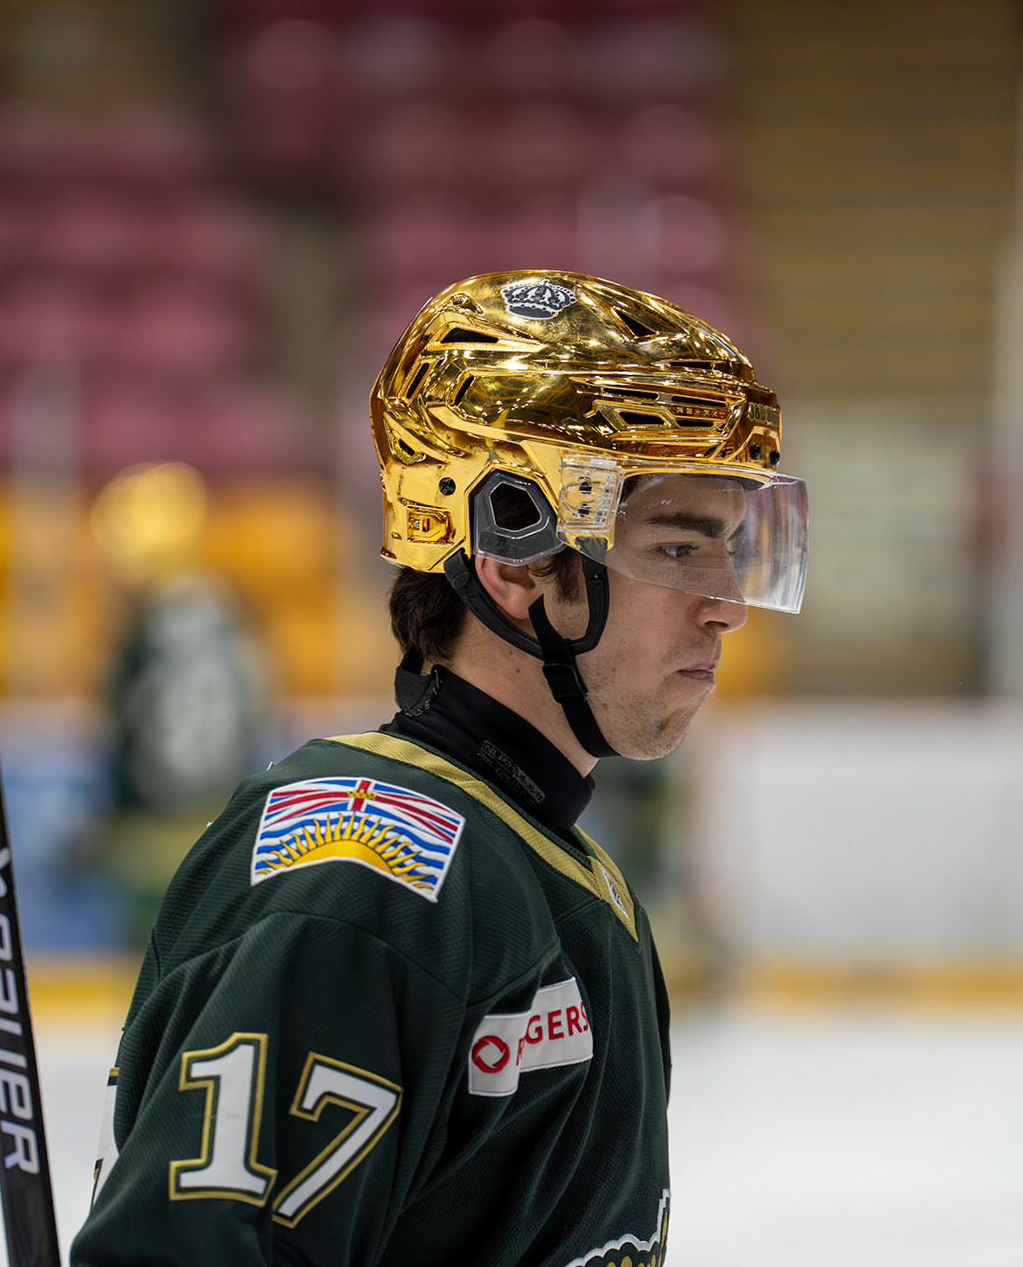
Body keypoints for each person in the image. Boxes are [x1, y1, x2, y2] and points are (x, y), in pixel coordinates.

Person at [71, 270, 808, 1266]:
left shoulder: (545, 862)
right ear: (515, 559)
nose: (728, 604)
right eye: (679, 548)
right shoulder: (365, 877)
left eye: (730, 548)